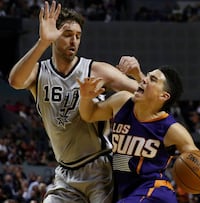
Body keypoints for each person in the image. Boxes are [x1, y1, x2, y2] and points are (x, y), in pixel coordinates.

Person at [8, 1, 143, 202]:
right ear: (54, 36)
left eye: (78, 36)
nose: (74, 41)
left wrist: (138, 74)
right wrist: (42, 42)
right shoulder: (38, 72)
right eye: (67, 35)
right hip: (65, 172)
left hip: (99, 167)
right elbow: (15, 81)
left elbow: (147, 94)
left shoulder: (97, 70)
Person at [77, 67, 200, 203]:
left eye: (152, 79)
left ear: (163, 96)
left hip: (155, 192)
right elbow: (89, 114)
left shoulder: (172, 129)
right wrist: (85, 97)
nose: (143, 79)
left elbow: (198, 161)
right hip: (126, 190)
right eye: (147, 76)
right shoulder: (121, 101)